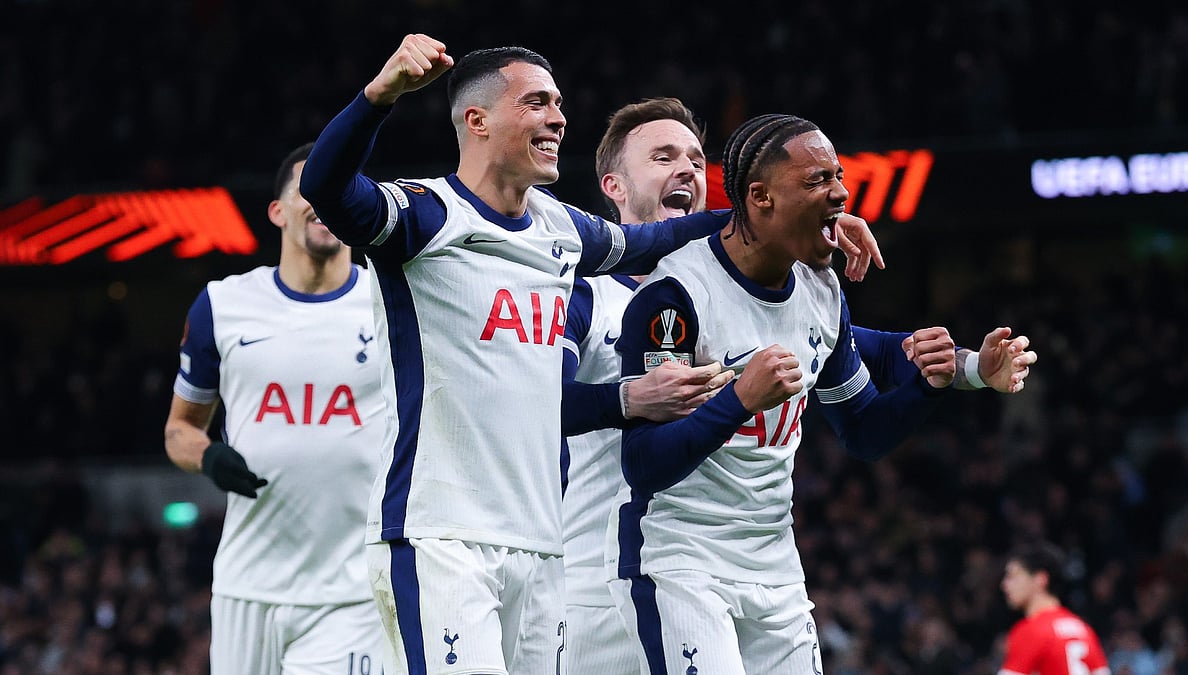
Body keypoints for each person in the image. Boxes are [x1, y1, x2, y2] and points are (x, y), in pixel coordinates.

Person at [296, 35, 892, 675]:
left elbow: (661, 237)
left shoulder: (561, 229)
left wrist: (806, 223)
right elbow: (326, 188)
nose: (558, 118)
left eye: (558, 104)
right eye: (536, 103)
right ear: (477, 120)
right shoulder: (426, 216)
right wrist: (379, 96)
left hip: (541, 544)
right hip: (440, 531)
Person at [562, 103, 1037, 675]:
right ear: (614, 186)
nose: (686, 168)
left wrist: (959, 370)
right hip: (609, 572)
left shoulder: (810, 286)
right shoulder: (606, 294)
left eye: (695, 157)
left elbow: (871, 366)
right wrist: (640, 398)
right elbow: (544, 411)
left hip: (770, 565)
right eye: (664, 157)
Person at [164, 143, 389, 674]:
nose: (325, 199)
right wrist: (208, 456)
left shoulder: (392, 304)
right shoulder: (223, 305)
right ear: (277, 211)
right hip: (248, 586)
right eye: (310, 189)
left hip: (352, 591)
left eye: (339, 188)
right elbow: (179, 430)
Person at [999, 543, 1111, 675]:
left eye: (1012, 576)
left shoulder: (1030, 631)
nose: (1004, 585)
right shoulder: (1083, 629)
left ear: (1040, 579)